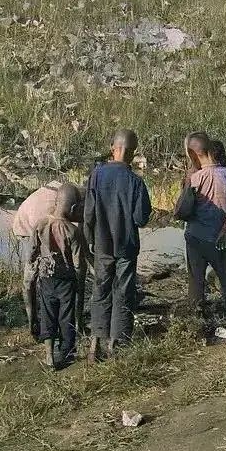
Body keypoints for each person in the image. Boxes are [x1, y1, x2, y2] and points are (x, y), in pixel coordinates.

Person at [83, 128, 152, 363]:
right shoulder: (135, 182)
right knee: (123, 291)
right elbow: (141, 218)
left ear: (113, 148)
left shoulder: (97, 175)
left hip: (101, 244)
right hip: (126, 246)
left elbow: (88, 212)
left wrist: (89, 238)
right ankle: (115, 344)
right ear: (132, 153)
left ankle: (94, 345)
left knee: (100, 290)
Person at [28, 183, 89, 368]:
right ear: (72, 208)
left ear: (56, 202)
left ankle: (49, 355)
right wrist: (79, 284)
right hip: (66, 281)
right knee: (65, 317)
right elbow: (78, 264)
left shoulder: (41, 224)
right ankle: (66, 352)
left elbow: (32, 253)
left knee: (47, 314)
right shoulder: (72, 230)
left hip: (46, 277)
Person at [182, 133, 226, 316]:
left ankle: (197, 314)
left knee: (196, 279)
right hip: (220, 237)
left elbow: (183, 210)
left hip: (195, 236)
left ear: (194, 155)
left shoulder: (195, 178)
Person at [13, 179, 69, 336]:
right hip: (26, 228)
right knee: (35, 276)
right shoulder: (49, 209)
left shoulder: (62, 197)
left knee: (42, 275)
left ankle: (43, 322)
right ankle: (34, 321)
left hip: (35, 220)